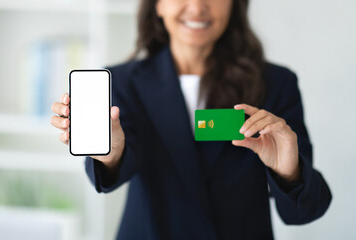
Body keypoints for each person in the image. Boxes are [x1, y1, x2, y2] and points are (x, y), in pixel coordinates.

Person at [51, 0, 332, 239]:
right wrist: (111, 154)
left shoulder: (276, 83)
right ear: (157, 5)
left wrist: (289, 172)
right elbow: (111, 175)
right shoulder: (123, 82)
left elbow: (306, 210)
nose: (198, 7)